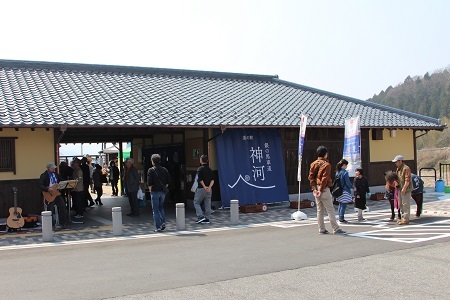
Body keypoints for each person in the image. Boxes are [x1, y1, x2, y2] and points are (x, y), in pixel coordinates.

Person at [308, 146, 346, 235]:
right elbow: (325, 178)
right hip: (324, 189)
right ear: (325, 154)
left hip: (316, 189)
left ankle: (321, 229)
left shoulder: (313, 164)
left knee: (319, 210)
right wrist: (321, 190)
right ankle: (336, 229)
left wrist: (315, 189)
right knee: (330, 210)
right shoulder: (327, 165)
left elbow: (311, 177)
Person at [39, 162, 69, 229]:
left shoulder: (56, 174)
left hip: (56, 193)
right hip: (49, 194)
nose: (54, 169)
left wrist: (68, 181)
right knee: (50, 209)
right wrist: (47, 189)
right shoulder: (44, 175)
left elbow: (61, 180)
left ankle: (63, 223)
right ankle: (51, 225)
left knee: (63, 206)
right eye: (52, 168)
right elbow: (40, 185)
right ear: (48, 168)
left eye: (54, 168)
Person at [147, 154, 171, 232]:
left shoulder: (151, 170)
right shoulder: (165, 169)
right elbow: (168, 181)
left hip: (154, 191)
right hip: (162, 191)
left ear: (152, 161)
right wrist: (164, 186)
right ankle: (163, 223)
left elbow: (149, 182)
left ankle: (158, 226)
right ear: (159, 161)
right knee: (161, 208)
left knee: (155, 210)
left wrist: (150, 190)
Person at [193, 155, 214, 224]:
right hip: (209, 189)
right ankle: (207, 218)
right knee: (207, 204)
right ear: (207, 161)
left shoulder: (200, 169)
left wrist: (204, 187)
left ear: (201, 161)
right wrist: (209, 187)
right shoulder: (210, 169)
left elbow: (200, 179)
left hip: (201, 189)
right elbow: (213, 180)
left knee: (196, 202)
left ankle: (200, 216)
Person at [392, 155, 412, 225]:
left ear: (400, 161)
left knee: (405, 203)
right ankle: (403, 217)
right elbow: (397, 178)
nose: (395, 163)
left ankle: (406, 219)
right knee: (401, 204)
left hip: (406, 189)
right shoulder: (398, 169)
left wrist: (404, 188)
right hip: (400, 188)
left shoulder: (406, 168)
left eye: (396, 162)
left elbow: (407, 180)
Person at [335, 159, 354, 224]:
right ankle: (342, 218)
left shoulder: (337, 172)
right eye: (346, 165)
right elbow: (348, 182)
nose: (346, 166)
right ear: (344, 165)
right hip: (345, 190)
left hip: (338, 190)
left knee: (340, 204)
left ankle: (340, 217)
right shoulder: (345, 173)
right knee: (343, 205)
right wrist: (352, 187)